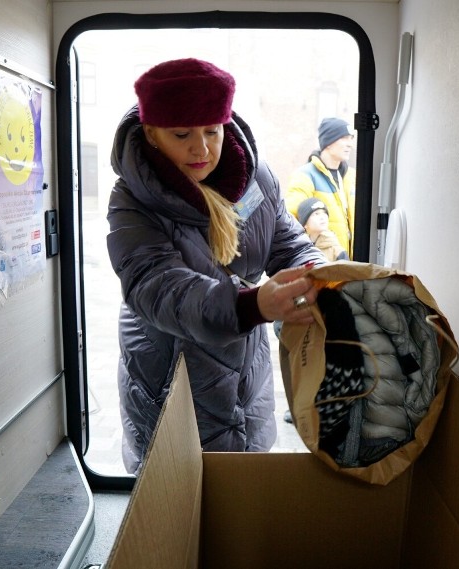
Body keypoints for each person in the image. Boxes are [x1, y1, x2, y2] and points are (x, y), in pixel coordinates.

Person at [106, 58, 326, 474]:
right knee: (177, 512)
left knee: (247, 499)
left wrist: (318, 274)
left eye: (212, 130)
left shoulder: (256, 179)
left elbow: (288, 242)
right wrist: (253, 306)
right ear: (152, 134)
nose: (201, 148)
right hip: (168, 378)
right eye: (182, 134)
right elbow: (157, 288)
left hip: (248, 377)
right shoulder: (131, 201)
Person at [285, 117, 356, 258]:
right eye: (344, 138)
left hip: (351, 264)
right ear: (328, 143)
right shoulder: (305, 176)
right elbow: (291, 223)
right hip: (323, 266)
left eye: (351, 138)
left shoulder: (352, 176)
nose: (350, 144)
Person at [296, 197, 348, 262]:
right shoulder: (298, 250)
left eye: (324, 213)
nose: (322, 217)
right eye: (316, 214)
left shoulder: (338, 252)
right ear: (304, 224)